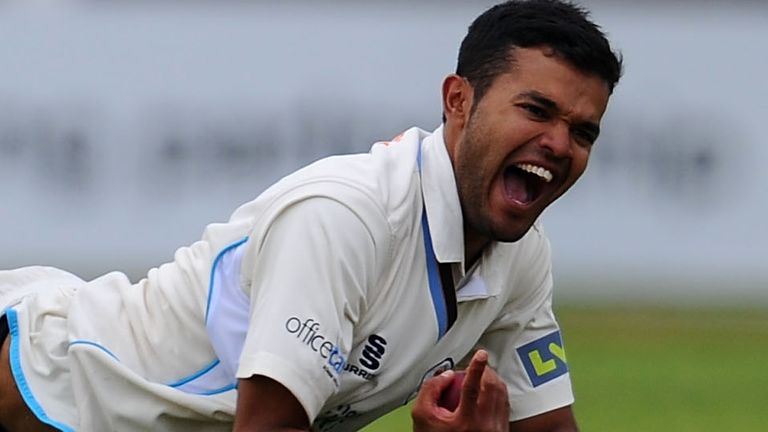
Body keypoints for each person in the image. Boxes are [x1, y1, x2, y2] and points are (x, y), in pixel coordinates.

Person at [0, 0, 622, 431]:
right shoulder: (346, 217)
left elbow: (548, 424)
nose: (560, 145)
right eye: (536, 110)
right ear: (458, 101)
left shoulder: (522, 251)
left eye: (583, 131)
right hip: (44, 395)